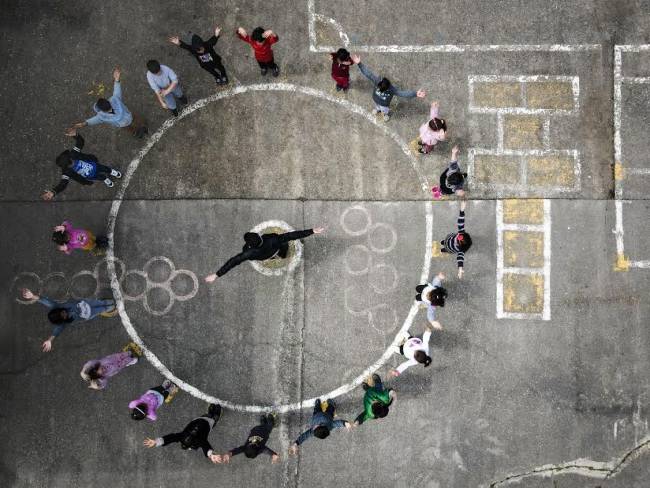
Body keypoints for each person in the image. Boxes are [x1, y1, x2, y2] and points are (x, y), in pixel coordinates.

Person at [204, 226, 325, 282]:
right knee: (284, 249)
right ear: (259, 237)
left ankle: (280, 256)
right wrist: (312, 231)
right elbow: (291, 235)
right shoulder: (272, 239)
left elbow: (233, 261)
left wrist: (216, 275)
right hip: (276, 248)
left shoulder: (248, 252)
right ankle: (283, 255)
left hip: (266, 256)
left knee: (276, 255)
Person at [21, 288, 116, 352]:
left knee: (101, 304)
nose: (64, 313)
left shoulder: (56, 307)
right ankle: (112, 305)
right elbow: (56, 331)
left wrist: (33, 296)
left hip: (87, 306)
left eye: (62, 312)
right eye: (64, 316)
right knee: (102, 308)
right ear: (62, 320)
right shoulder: (61, 322)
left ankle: (112, 304)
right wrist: (50, 340)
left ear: (58, 309)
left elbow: (45, 301)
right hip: (88, 311)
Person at [41, 130, 122, 200]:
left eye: (71, 160)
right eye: (71, 163)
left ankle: (113, 172)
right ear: (67, 166)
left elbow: (80, 142)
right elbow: (63, 184)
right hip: (89, 175)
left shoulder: (73, 154)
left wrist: (76, 135)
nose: (72, 162)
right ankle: (105, 178)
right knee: (100, 177)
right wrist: (54, 192)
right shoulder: (66, 171)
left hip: (94, 165)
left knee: (105, 168)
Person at [69, 68, 148, 138]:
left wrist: (83, 124)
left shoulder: (102, 116)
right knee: (138, 120)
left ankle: (136, 134)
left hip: (123, 124)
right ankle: (144, 127)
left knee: (129, 129)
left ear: (102, 110)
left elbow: (92, 121)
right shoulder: (115, 99)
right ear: (108, 102)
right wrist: (116, 79)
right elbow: (117, 89)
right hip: (129, 116)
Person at [351, 54, 425, 121]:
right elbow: (368, 74)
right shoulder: (378, 81)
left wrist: (415, 94)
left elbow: (403, 93)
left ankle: (385, 114)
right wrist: (359, 64)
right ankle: (378, 109)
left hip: (384, 105)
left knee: (384, 110)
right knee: (377, 106)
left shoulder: (390, 89)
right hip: (376, 100)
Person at [143, 403, 223, 464]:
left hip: (200, 420)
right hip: (207, 424)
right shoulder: (199, 440)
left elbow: (171, 438)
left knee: (206, 416)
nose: (192, 433)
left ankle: (210, 414)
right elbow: (206, 446)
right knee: (212, 419)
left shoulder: (183, 436)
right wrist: (211, 454)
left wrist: (156, 442)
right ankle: (215, 416)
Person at [440, 201, 471, 278]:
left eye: (458, 239)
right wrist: (462, 210)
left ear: (460, 245)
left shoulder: (461, 250)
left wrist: (460, 268)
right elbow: (461, 222)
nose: (458, 236)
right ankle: (444, 242)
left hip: (450, 248)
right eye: (459, 236)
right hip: (449, 239)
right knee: (444, 241)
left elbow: (460, 258)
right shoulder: (461, 233)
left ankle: (444, 249)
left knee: (445, 249)